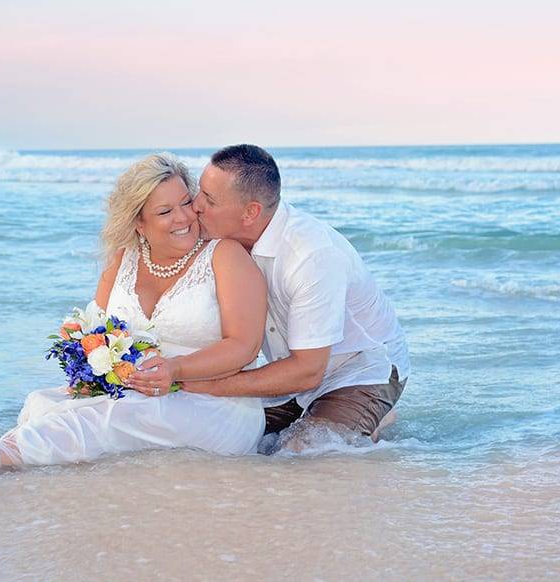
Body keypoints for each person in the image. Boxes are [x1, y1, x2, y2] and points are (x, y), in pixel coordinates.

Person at [0, 153, 267, 489]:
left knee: (105, 419)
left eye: (186, 202)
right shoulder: (123, 261)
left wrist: (176, 368)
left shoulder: (224, 256)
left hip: (218, 406)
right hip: (139, 392)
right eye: (165, 211)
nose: (184, 217)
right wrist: (95, 374)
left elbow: (244, 345)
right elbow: (98, 334)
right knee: (42, 404)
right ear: (138, 222)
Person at [129, 144, 409, 446]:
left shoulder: (311, 255)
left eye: (209, 200)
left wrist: (210, 384)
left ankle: (371, 415)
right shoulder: (220, 239)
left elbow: (308, 370)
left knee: (304, 456)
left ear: (250, 212)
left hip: (360, 371)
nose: (195, 206)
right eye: (200, 192)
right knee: (226, 440)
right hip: (289, 375)